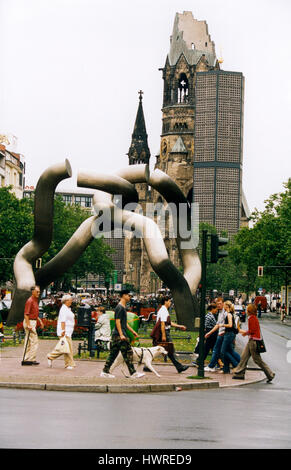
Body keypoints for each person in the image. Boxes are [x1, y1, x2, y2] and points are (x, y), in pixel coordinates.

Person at [100, 290, 144, 379]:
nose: (130, 297)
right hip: (120, 335)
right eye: (129, 295)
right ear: (123, 295)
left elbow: (125, 323)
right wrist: (121, 334)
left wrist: (133, 331)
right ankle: (133, 373)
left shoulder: (122, 307)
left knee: (113, 354)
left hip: (117, 335)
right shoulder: (120, 308)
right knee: (127, 353)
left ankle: (105, 371)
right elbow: (118, 322)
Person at [232, 304, 275, 383]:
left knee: (257, 360)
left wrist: (245, 333)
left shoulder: (252, 318)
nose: (246, 311)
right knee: (244, 357)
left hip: (253, 342)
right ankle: (239, 373)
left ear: (249, 311)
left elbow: (252, 330)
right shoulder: (254, 318)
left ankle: (270, 374)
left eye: (247, 309)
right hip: (252, 340)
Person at [152, 296, 189, 373]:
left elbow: (167, 323)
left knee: (159, 350)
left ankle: (147, 366)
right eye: (169, 301)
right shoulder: (163, 310)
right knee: (171, 350)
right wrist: (164, 335)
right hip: (165, 332)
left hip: (164, 331)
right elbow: (162, 323)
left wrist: (179, 326)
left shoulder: (164, 310)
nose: (170, 303)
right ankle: (179, 367)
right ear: (165, 301)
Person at [47, 294, 76, 370]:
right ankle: (69, 364)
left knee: (65, 348)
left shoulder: (66, 308)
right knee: (67, 348)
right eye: (70, 300)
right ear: (66, 301)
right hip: (65, 331)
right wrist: (63, 331)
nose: (71, 301)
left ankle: (51, 356)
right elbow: (63, 321)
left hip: (68, 331)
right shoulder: (64, 309)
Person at [204, 297, 227, 372]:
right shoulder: (220, 313)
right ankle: (236, 364)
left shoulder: (225, 313)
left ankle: (212, 365)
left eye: (220, 304)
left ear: (223, 303)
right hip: (220, 333)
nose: (219, 306)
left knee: (216, 350)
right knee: (224, 351)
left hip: (222, 334)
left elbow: (225, 324)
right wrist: (209, 333)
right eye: (217, 304)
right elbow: (217, 325)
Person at [22, 286, 44, 365]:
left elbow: (34, 313)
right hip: (29, 322)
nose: (39, 293)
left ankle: (28, 358)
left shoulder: (34, 300)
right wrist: (28, 325)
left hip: (32, 321)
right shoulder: (30, 301)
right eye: (37, 292)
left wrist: (40, 321)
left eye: (39, 292)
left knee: (30, 341)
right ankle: (29, 359)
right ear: (33, 292)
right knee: (34, 341)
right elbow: (26, 314)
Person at [218, 301, 240, 374]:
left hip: (229, 335)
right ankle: (226, 369)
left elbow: (230, 325)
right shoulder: (229, 314)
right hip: (228, 334)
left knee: (223, 352)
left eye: (224, 305)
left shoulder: (229, 314)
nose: (223, 306)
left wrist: (222, 325)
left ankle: (236, 365)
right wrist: (223, 332)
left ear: (226, 306)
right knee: (229, 351)